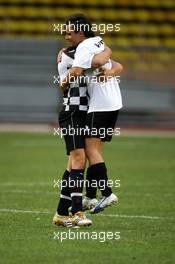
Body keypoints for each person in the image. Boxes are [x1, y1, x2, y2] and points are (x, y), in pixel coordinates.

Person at [53, 17, 121, 227]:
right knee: (79, 159)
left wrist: (107, 55)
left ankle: (62, 213)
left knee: (74, 162)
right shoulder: (68, 54)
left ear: (81, 34)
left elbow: (112, 62)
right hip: (73, 112)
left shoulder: (87, 49)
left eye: (69, 33)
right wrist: (68, 78)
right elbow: (69, 78)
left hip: (86, 111)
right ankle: (78, 211)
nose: (65, 36)